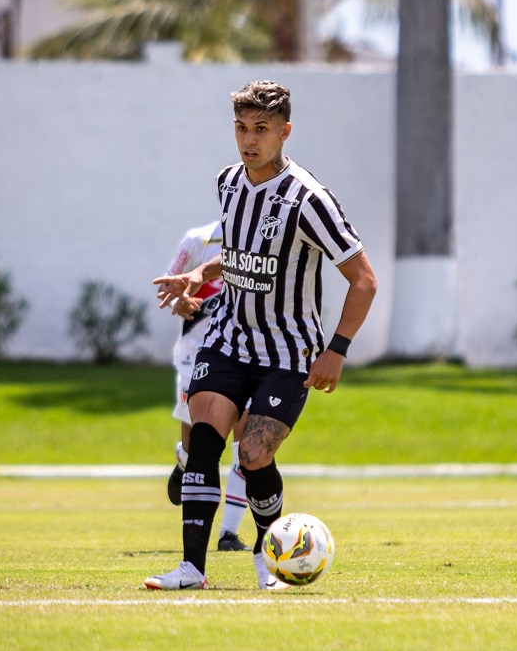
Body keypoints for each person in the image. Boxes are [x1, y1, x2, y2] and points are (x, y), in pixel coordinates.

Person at [144, 80, 378, 591]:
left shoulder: (309, 199)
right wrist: (197, 277)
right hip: (228, 338)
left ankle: (265, 551)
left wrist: (336, 350)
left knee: (253, 455)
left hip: (288, 350)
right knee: (203, 443)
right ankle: (192, 568)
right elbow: (240, 254)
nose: (249, 140)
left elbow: (363, 280)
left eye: (262, 130)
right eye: (241, 128)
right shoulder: (229, 182)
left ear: (284, 132)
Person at [161, 220, 250, 553]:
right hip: (197, 356)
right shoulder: (198, 239)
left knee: (247, 448)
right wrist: (177, 303)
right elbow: (169, 289)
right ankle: (184, 461)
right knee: (200, 450)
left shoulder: (263, 238)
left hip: (247, 355)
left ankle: (228, 533)